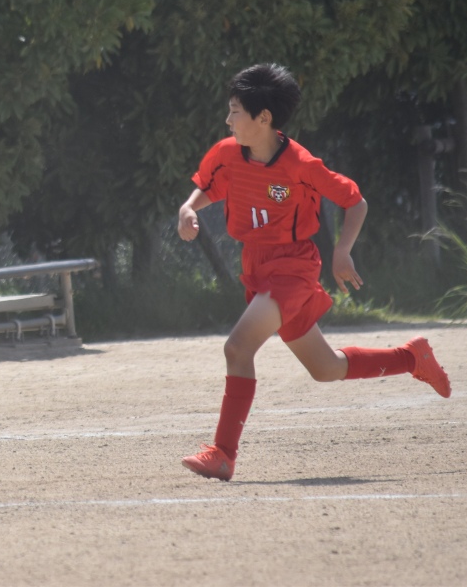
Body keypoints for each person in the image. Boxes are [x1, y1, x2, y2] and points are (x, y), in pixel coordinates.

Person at [176, 64, 450, 481]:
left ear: (263, 118)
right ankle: (413, 358)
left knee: (237, 348)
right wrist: (188, 209)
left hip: (293, 268)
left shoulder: (300, 163)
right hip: (256, 264)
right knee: (326, 368)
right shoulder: (227, 153)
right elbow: (209, 187)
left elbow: (355, 202)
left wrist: (342, 251)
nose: (228, 120)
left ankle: (223, 454)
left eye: (234, 111)